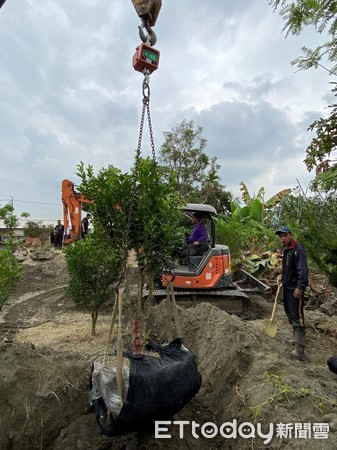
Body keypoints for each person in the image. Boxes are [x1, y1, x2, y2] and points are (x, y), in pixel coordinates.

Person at [276, 226, 308, 360]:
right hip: (287, 287)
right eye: (281, 236)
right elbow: (287, 268)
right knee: (290, 313)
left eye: (285, 236)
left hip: (295, 288)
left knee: (297, 316)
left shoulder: (298, 250)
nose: (283, 238)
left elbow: (303, 270)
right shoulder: (286, 250)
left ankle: (300, 350)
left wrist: (300, 287)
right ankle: (296, 340)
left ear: (290, 235)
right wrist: (282, 276)